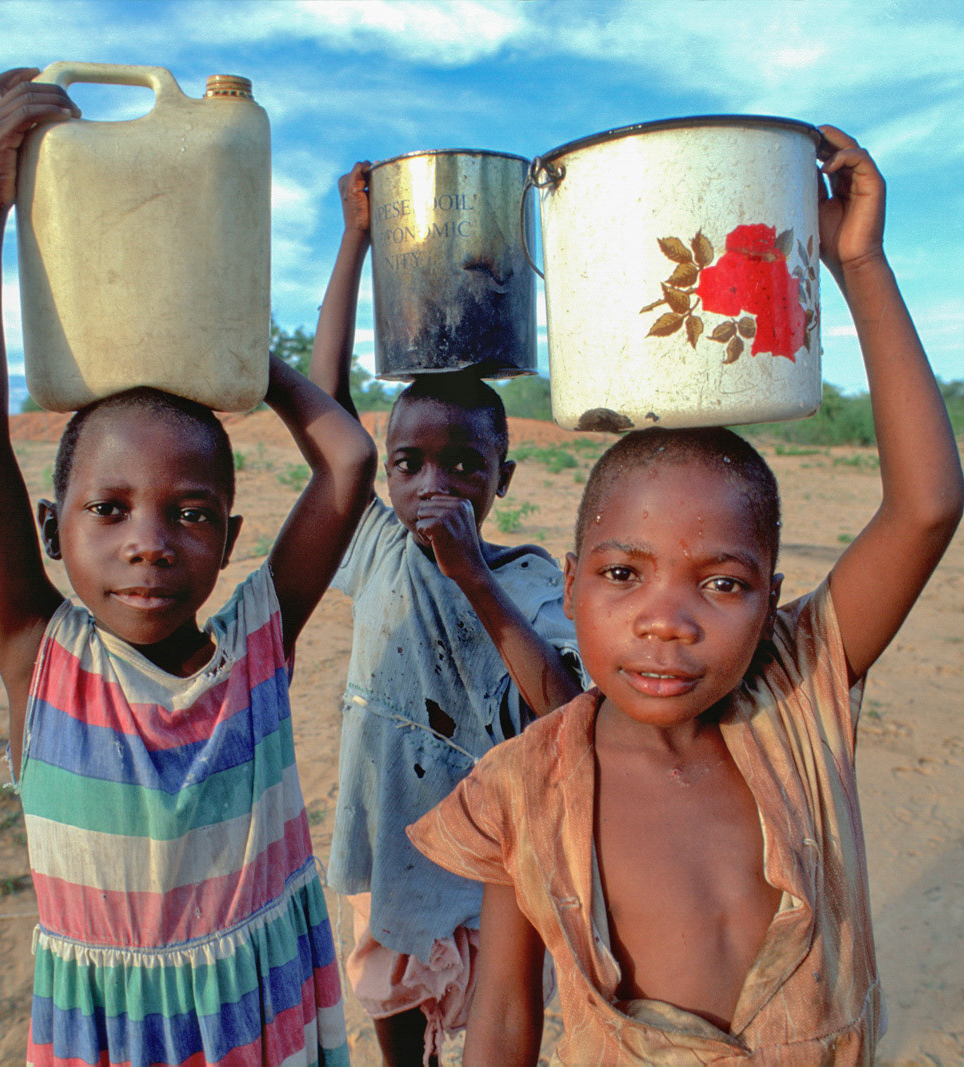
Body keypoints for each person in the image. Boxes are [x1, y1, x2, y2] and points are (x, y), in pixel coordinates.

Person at [409, 126, 964, 1063]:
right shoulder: (520, 789)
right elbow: (504, 1017)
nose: (667, 619)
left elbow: (926, 507)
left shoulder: (799, 697)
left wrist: (857, 263)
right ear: (570, 585)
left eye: (723, 582)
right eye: (624, 574)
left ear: (771, 602)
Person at [0, 69, 376, 1067]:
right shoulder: (37, 655)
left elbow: (346, 459)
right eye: (108, 508)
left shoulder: (259, 641)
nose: (149, 539)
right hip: (115, 1034)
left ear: (227, 537)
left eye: (189, 513)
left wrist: (230, 346)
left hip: (259, 1010)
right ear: (51, 529)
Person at [308, 162, 584, 1065]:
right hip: (390, 831)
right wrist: (353, 239)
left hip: (488, 854)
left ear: (505, 477)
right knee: (388, 995)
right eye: (409, 463)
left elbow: (562, 707)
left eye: (466, 464)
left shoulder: (534, 581)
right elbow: (326, 412)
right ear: (383, 474)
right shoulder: (381, 547)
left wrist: (475, 578)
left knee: (499, 1013)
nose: (435, 485)